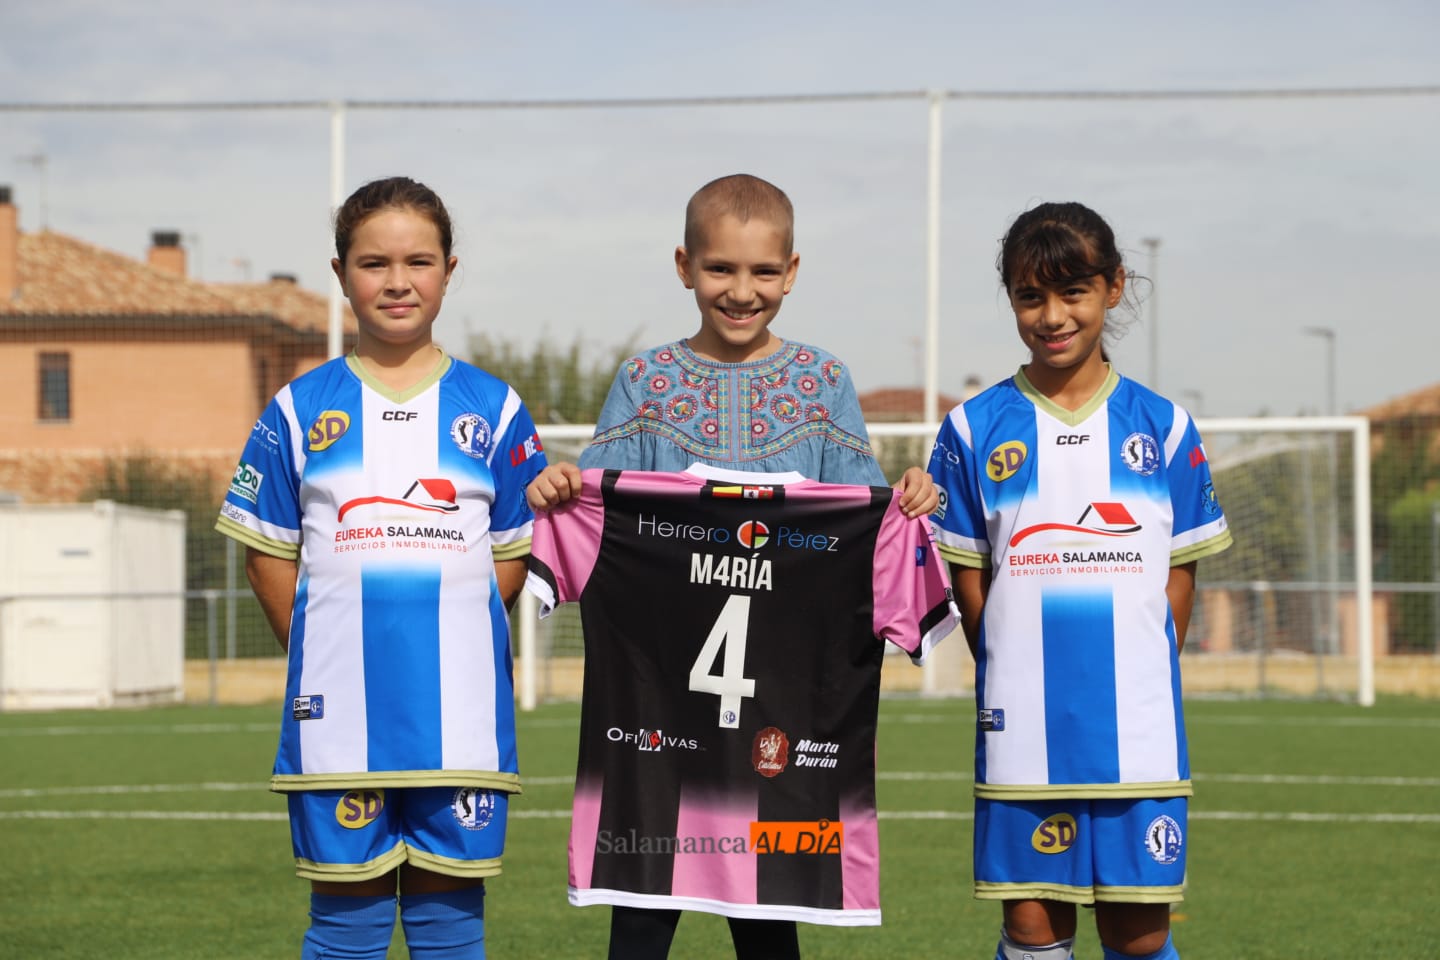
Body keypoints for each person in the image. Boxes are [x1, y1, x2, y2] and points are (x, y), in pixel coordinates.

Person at [526, 173, 939, 960]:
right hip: (655, 711)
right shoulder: (645, 383)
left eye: (761, 271)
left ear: (791, 272)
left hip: (780, 712)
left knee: (768, 922)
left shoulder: (823, 385)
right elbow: (601, 517)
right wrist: (560, 489)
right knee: (640, 919)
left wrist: (908, 499)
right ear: (684, 266)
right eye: (720, 268)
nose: (741, 291)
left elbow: (859, 527)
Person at [215, 176, 548, 960]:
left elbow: (511, 553)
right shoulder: (298, 409)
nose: (398, 281)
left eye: (418, 261)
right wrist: (325, 648)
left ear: (449, 271)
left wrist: (453, 627)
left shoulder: (495, 408)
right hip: (338, 720)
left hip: (459, 718)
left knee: (450, 927)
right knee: (346, 929)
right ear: (341, 274)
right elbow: (267, 553)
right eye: (374, 263)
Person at [926, 201, 1232, 960]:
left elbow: (1180, 576)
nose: (1053, 316)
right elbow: (970, 580)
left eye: (1074, 292)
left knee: (1138, 929)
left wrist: (1141, 669)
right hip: (1023, 726)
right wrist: (1009, 664)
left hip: (1136, 729)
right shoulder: (972, 429)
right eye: (1031, 296)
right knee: (1032, 925)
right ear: (1011, 300)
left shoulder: (1162, 426)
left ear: (1113, 287)